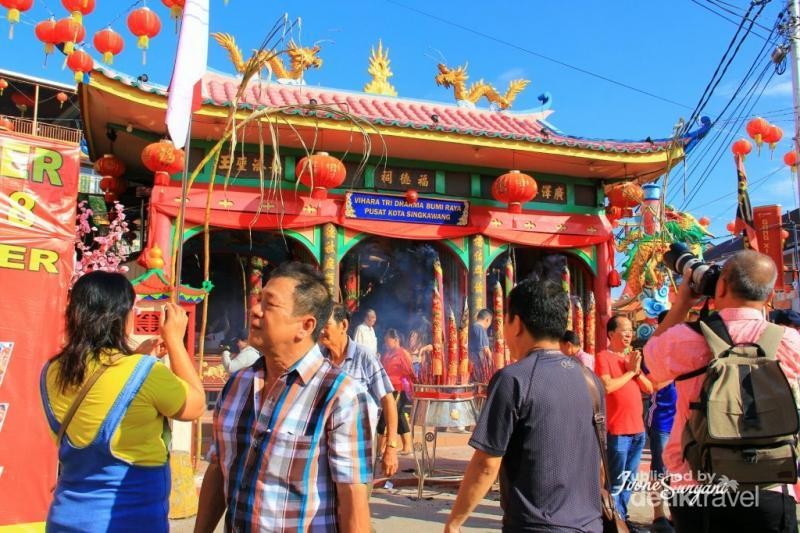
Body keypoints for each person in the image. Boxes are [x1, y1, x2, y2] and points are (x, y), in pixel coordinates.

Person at [194, 262, 374, 532]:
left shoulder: (341, 396)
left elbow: (353, 503)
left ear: (305, 326)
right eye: (259, 301)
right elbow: (219, 467)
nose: (255, 310)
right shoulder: (237, 385)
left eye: (269, 305)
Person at [646, 250, 800, 533]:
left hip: (697, 488)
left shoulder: (685, 339)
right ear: (769, 296)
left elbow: (650, 362)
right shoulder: (790, 341)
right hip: (771, 484)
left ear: (721, 286)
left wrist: (683, 303)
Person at [40, 271, 206, 532]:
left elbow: (100, 389)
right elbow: (196, 406)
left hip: (65, 518)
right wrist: (175, 341)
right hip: (126, 522)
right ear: (122, 318)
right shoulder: (146, 374)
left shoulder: (51, 371)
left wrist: (138, 358)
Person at [446, 278, 605, 532]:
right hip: (590, 524)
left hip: (535, 526)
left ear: (517, 324)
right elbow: (599, 462)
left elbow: (486, 464)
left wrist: (454, 523)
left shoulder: (513, 379)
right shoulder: (591, 380)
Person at [319, 303, 399, 477]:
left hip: (358, 448)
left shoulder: (364, 357)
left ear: (343, 325)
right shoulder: (318, 358)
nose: (320, 330)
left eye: (325, 324)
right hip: (321, 451)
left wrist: (391, 447)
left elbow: (388, 400)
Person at [595, 315, 653, 529]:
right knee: (616, 481)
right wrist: (630, 371)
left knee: (629, 481)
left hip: (638, 430)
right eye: (625, 330)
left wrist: (635, 372)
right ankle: (614, 522)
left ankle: (623, 518)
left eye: (631, 331)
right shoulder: (603, 357)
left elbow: (649, 388)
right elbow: (607, 387)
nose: (629, 334)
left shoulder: (631, 358)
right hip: (618, 430)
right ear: (611, 334)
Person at [379, 329, 415, 455]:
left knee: (387, 416)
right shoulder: (386, 354)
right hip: (388, 389)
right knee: (399, 416)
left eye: (387, 340)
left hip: (398, 389)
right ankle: (407, 447)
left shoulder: (403, 353)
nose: (386, 343)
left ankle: (381, 449)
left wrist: (410, 385)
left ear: (395, 340)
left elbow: (410, 371)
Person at [468, 309, 493, 383]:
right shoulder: (480, 329)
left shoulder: (472, 327)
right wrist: (492, 365)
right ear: (487, 320)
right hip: (479, 366)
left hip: (470, 364)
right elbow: (486, 350)